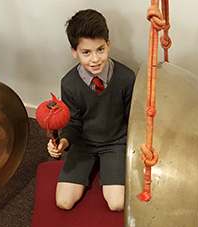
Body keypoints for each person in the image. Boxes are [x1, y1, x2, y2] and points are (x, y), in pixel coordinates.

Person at [47, 9, 136, 212]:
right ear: (74, 51)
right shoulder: (69, 83)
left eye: (100, 50)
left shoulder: (126, 77)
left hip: (115, 142)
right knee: (64, 202)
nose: (95, 59)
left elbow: (132, 118)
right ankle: (92, 167)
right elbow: (73, 122)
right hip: (83, 144)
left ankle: (108, 167)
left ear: (108, 45)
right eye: (86, 52)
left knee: (117, 204)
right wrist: (63, 142)